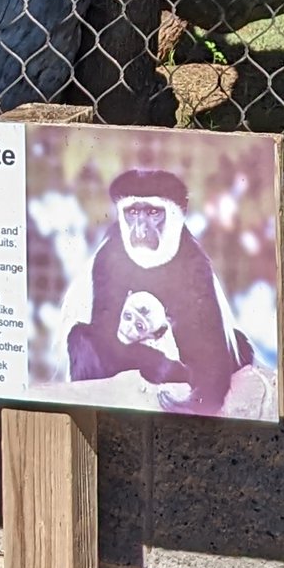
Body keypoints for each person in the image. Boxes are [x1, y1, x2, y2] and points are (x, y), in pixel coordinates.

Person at [63, 167, 252, 416]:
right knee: (80, 340)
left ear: (179, 214)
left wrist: (202, 396)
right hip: (120, 368)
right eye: (132, 213)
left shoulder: (194, 266)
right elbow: (105, 341)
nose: (140, 229)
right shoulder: (109, 258)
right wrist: (160, 366)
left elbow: (213, 354)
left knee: (240, 347)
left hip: (178, 364)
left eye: (153, 213)